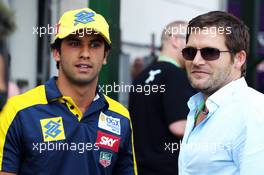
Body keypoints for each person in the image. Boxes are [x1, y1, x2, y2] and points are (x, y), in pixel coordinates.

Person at [0, 8, 137, 175]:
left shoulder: (120, 117)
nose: (85, 53)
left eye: (94, 45)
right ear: (57, 52)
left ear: (105, 56)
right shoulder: (17, 111)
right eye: (74, 43)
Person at [179, 11, 264, 175]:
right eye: (189, 52)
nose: (196, 61)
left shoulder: (254, 112)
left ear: (239, 59)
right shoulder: (198, 107)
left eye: (210, 52)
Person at [129, 21, 195, 175]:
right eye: (190, 44)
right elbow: (179, 126)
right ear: (176, 41)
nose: (194, 52)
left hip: (138, 167)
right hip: (166, 168)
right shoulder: (175, 75)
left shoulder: (141, 77)